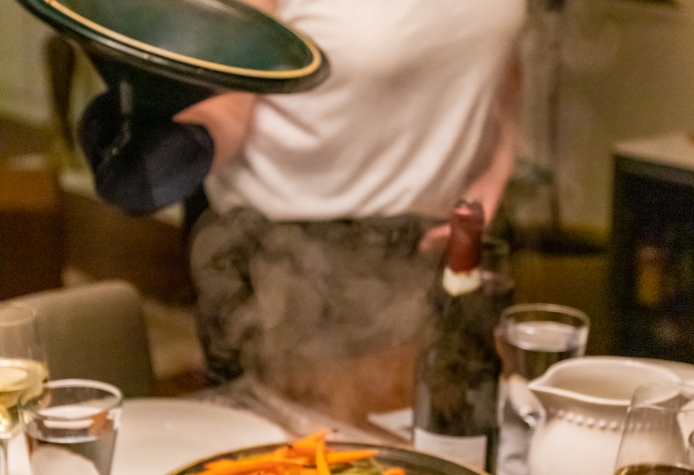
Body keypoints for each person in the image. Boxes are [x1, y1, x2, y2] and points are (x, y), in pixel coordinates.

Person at [81, 0, 526, 410]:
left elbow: (498, 50)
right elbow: (231, 101)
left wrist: (495, 171)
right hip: (290, 262)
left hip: (437, 252)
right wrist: (178, 146)